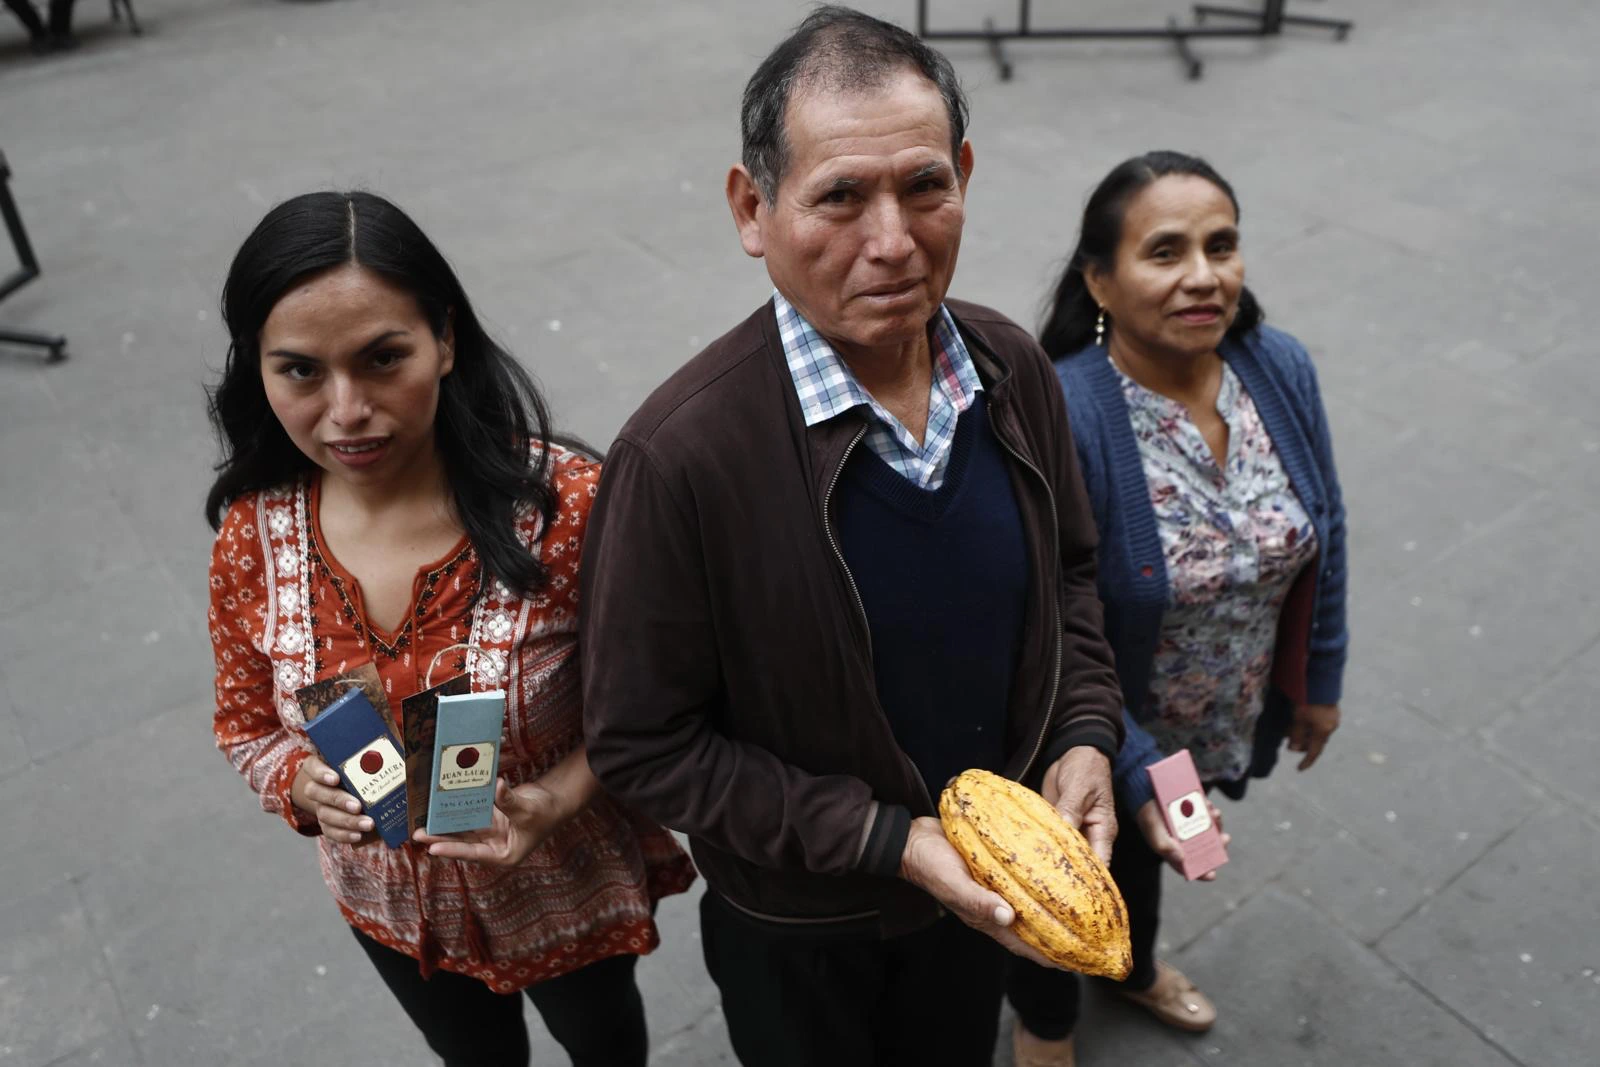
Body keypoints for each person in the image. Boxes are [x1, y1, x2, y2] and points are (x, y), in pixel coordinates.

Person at [578, 8, 1125, 1066]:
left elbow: (1070, 573)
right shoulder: (679, 457)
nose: (893, 240)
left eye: (924, 186)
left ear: (965, 175)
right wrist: (888, 840)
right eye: (839, 196)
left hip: (985, 897)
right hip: (800, 930)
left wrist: (1084, 729)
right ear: (753, 208)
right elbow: (645, 744)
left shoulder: (1010, 367)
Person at [205, 191, 694, 1067]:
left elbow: (661, 696)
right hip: (388, 907)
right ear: (261, 372)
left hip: (566, 884)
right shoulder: (253, 538)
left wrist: (552, 800)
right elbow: (246, 726)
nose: (347, 409)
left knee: (604, 1042)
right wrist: (298, 784)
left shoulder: (566, 507)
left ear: (446, 340)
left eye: (382, 357)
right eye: (301, 371)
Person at [1005, 150, 1349, 1067]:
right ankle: (1045, 1022)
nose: (1204, 276)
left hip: (1215, 711)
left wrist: (1319, 680)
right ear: (1099, 280)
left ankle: (1131, 969)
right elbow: (1046, 631)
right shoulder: (1068, 412)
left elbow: (1328, 526)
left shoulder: (1277, 367)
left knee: (1149, 856)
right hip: (1092, 723)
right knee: (1063, 871)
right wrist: (1141, 766)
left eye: (1221, 246)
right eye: (1165, 251)